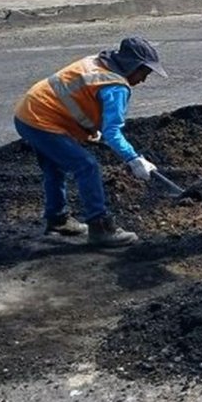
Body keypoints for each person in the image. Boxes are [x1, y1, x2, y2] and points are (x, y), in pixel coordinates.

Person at [13, 37, 167, 247]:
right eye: (144, 72)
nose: (144, 80)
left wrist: (90, 129)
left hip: (28, 113)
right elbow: (112, 131)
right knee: (87, 166)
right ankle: (100, 227)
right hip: (42, 120)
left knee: (54, 167)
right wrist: (134, 159)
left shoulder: (99, 62)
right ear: (132, 66)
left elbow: (80, 101)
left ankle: (57, 220)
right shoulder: (115, 86)